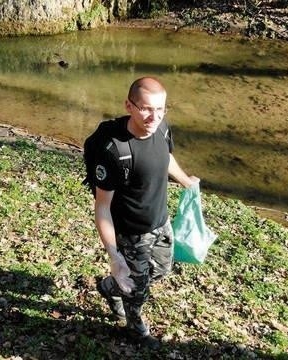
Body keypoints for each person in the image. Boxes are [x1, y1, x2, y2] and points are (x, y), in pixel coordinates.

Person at [94, 76, 198, 349]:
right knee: (137, 288)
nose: (154, 116)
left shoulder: (162, 128)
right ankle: (135, 328)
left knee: (162, 271)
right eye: (146, 109)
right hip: (131, 233)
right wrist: (114, 255)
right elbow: (102, 206)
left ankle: (108, 286)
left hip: (161, 223)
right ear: (129, 106)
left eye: (160, 109)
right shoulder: (116, 151)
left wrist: (186, 180)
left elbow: (166, 157)